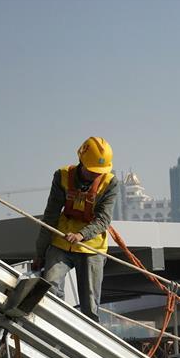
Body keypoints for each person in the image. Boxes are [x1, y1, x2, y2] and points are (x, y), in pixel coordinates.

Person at [34, 137, 119, 322]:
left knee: (90, 305)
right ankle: (57, 331)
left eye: (100, 172)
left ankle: (89, 344)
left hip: (92, 247)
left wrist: (82, 235)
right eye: (93, 171)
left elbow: (103, 219)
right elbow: (50, 215)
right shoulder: (62, 176)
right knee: (50, 286)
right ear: (82, 163)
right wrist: (40, 252)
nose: (97, 175)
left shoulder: (110, 182)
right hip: (61, 242)